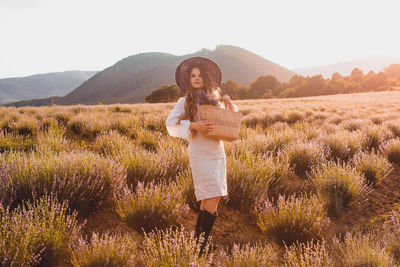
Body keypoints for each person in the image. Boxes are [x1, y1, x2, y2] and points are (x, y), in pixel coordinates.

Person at [165, 57, 238, 256]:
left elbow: (228, 123)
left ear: (206, 78)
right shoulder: (184, 101)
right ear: (189, 80)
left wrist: (230, 107)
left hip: (217, 150)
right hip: (199, 151)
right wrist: (193, 125)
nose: (196, 78)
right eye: (193, 75)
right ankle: (200, 245)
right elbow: (170, 125)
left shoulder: (214, 99)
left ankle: (199, 244)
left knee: (212, 196)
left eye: (199, 75)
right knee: (211, 195)